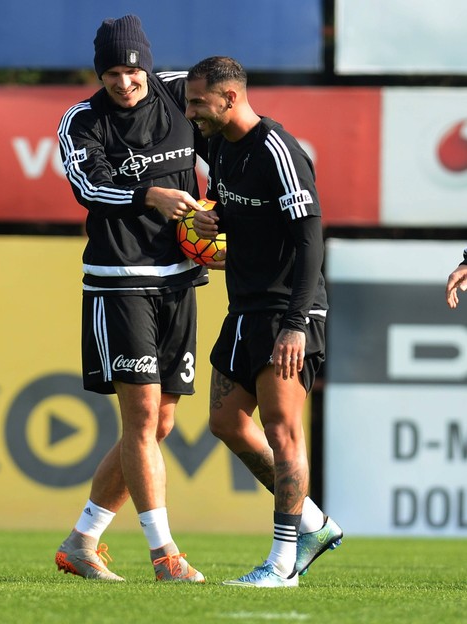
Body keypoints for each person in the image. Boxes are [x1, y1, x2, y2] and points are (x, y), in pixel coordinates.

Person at [54, 15, 209, 583]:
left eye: (132, 68)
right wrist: (152, 195)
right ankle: (165, 555)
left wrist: (221, 204)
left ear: (147, 63)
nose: (125, 82)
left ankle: (81, 541)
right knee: (142, 418)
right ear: (101, 74)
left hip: (179, 278)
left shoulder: (175, 89)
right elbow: (87, 187)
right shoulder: (82, 120)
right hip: (119, 279)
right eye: (113, 72)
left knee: (160, 424)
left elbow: (218, 113)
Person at [185, 56, 342, 588]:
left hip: (287, 312)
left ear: (230, 97)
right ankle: (313, 522)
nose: (191, 112)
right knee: (226, 422)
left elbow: (309, 237)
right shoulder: (219, 149)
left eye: (198, 102)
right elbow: (251, 213)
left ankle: (283, 565)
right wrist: (216, 219)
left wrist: (298, 323)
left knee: (282, 430)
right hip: (244, 308)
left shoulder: (278, 148)